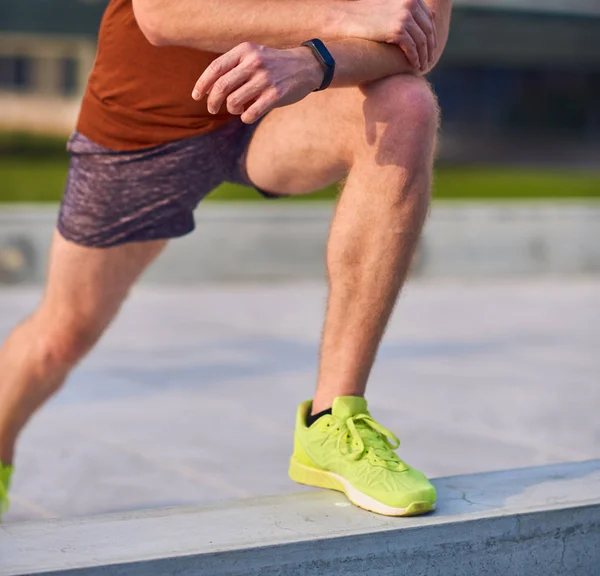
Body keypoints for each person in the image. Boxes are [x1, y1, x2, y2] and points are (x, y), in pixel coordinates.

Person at [0, 0, 451, 519]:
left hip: (286, 102)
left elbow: (419, 44)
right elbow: (162, 16)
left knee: (407, 105)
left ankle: (333, 419)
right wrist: (343, 18)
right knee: (61, 336)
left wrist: (314, 61)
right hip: (145, 126)